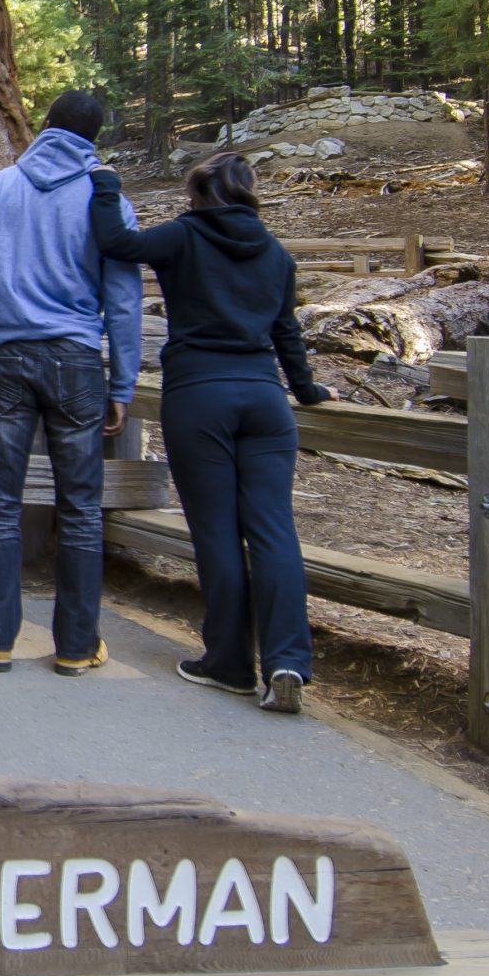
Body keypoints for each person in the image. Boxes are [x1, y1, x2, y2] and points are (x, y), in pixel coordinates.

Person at [89, 151, 332, 715]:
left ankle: (228, 663)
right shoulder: (276, 255)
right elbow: (286, 333)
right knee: (275, 532)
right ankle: (288, 660)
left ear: (198, 194)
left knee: (218, 533)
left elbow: (116, 243)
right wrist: (310, 391)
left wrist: (106, 185)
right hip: (266, 401)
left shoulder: (182, 237)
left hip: (200, 396)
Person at [0, 91, 144, 678]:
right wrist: (122, 383)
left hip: (4, 358)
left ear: (45, 126)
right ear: (93, 142)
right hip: (77, 362)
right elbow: (124, 301)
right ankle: (77, 648)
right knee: (80, 510)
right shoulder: (108, 200)